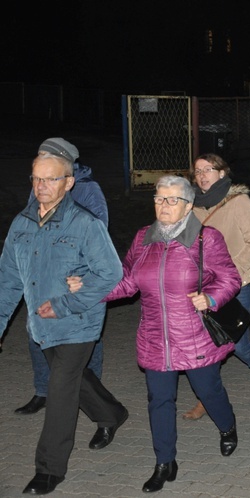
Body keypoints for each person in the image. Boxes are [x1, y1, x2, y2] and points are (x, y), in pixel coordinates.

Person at [99, 175, 242, 492]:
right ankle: (165, 462)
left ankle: (227, 426)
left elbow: (231, 278)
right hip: (155, 338)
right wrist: (91, 290)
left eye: (171, 199)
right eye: (158, 198)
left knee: (209, 391)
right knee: (159, 400)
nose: (162, 205)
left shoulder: (207, 239)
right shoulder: (142, 239)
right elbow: (127, 283)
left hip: (194, 336)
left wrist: (212, 297)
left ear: (189, 205)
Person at [0, 146, 127, 495]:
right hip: (41, 326)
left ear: (69, 182)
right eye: (36, 178)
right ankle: (111, 414)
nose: (41, 185)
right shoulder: (21, 223)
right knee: (74, 380)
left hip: (79, 321)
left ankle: (49, 469)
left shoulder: (85, 224)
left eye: (51, 179)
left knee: (60, 390)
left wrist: (66, 303)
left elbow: (111, 274)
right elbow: (8, 281)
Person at [15, 137, 110, 416]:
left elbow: (98, 232)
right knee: (38, 332)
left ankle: (94, 396)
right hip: (42, 275)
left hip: (74, 279)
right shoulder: (41, 185)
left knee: (83, 338)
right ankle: (43, 390)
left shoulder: (88, 189)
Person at [181, 153, 250, 422]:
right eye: (197, 171)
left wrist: (232, 271)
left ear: (222, 173)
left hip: (236, 284)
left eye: (208, 169)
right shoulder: (191, 206)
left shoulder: (239, 202)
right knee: (205, 347)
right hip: (202, 289)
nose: (202, 175)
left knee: (239, 344)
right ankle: (206, 397)